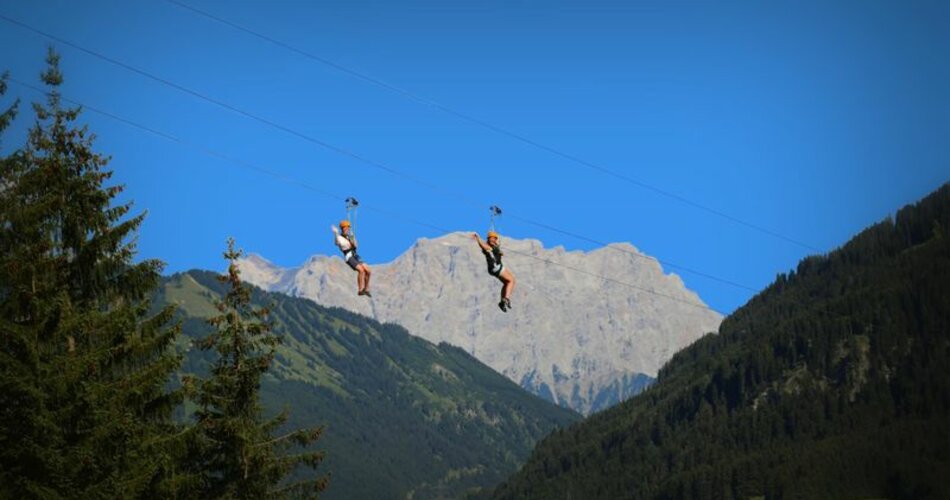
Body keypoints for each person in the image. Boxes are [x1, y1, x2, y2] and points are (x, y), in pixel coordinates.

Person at [473, 231, 516, 312]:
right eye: (492, 238)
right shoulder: (488, 247)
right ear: (488, 239)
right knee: (512, 281)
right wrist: (478, 238)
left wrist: (499, 252)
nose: (493, 240)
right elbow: (482, 246)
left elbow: (497, 252)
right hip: (496, 267)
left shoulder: (494, 247)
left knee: (506, 282)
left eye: (495, 238)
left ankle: (502, 302)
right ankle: (506, 299)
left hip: (495, 268)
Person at [332, 220, 372, 297]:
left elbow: (356, 246)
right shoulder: (340, 238)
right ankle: (360, 290)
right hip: (349, 257)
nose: (347, 229)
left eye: (348, 228)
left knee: (368, 271)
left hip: (355, 255)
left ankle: (366, 289)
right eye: (346, 228)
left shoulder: (350, 236)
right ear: (343, 229)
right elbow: (336, 242)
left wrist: (353, 239)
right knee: (361, 270)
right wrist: (336, 233)